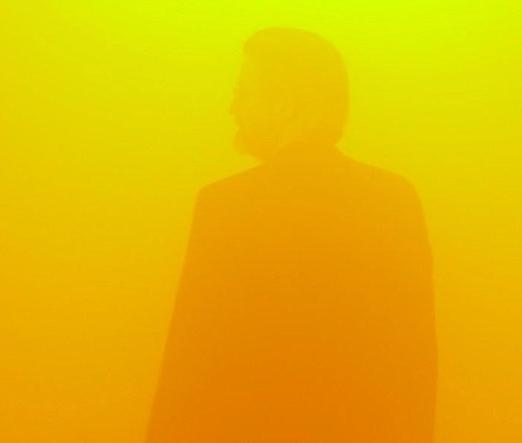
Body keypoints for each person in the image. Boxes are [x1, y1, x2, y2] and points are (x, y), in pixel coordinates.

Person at [147, 28, 437, 442]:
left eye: (242, 91)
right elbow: (414, 368)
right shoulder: (393, 199)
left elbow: (190, 368)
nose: (232, 107)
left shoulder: (225, 205)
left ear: (284, 103)